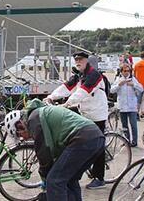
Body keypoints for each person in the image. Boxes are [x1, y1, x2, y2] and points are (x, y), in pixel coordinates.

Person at [5, 99, 104, 201]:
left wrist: (45, 177)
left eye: (19, 135)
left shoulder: (33, 120)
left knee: (55, 181)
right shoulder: (40, 113)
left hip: (82, 138)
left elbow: (44, 153)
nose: (23, 138)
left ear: (19, 125)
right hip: (95, 137)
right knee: (70, 180)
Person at [44, 51, 109, 189]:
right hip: (85, 113)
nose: (78, 62)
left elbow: (83, 92)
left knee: (98, 147)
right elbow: (66, 87)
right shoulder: (79, 75)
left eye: (80, 60)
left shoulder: (94, 75)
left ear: (87, 61)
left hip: (97, 114)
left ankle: (99, 177)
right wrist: (51, 97)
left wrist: (67, 103)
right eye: (76, 60)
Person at [110, 62, 143, 146]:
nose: (127, 72)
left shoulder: (133, 79)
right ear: (121, 71)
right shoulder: (118, 79)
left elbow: (141, 89)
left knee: (133, 124)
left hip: (132, 106)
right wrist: (119, 85)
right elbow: (111, 90)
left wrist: (133, 85)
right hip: (122, 106)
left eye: (128, 70)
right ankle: (127, 140)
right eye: (125, 71)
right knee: (124, 126)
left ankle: (134, 141)